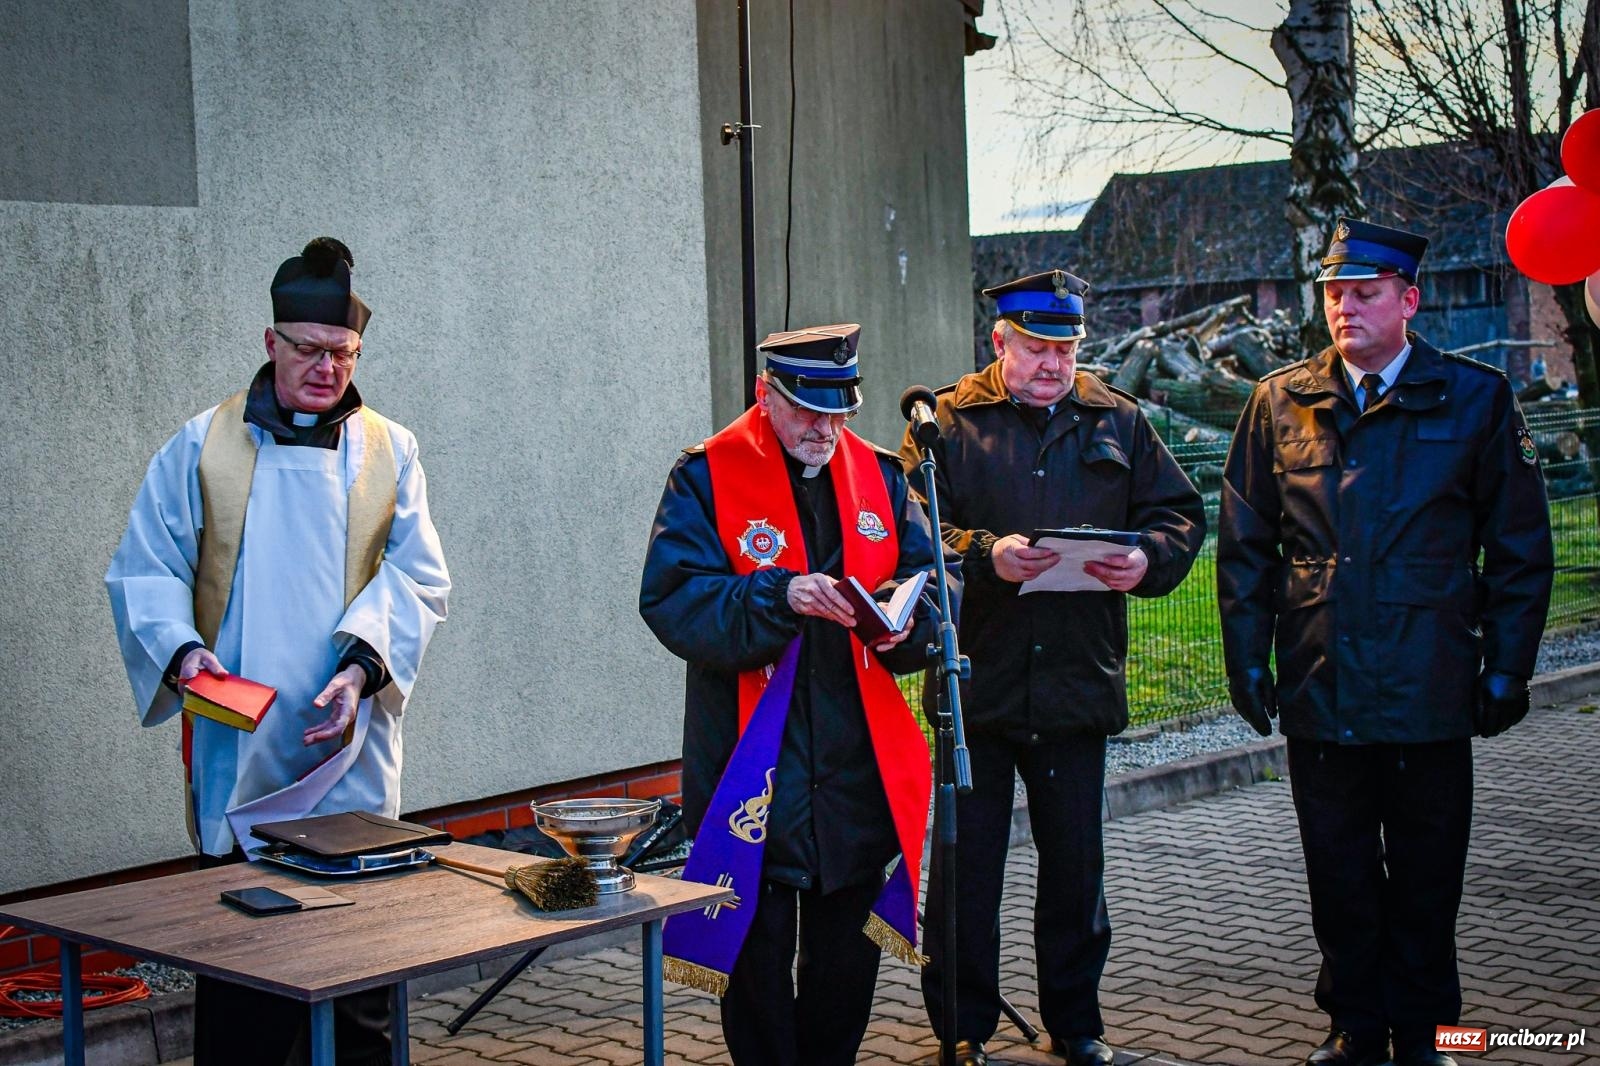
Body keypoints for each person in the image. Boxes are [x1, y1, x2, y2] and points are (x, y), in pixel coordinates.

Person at [1217, 218, 1554, 1066]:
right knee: (1339, 878)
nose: (1344, 308)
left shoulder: (1475, 398)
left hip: (1429, 687)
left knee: (1428, 879)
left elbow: (1519, 547)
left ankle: (1432, 1031)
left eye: (1364, 293)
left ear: (1409, 299)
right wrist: (1245, 658)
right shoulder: (1278, 401)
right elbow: (1246, 546)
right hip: (1320, 685)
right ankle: (1355, 1027)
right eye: (1333, 293)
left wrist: (1509, 666)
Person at [106, 236, 451, 1066]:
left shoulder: (389, 449)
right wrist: (187, 657)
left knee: (361, 985)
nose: (327, 368)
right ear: (271, 343)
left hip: (345, 750)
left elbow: (418, 578)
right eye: (309, 349)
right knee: (246, 988)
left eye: (344, 353)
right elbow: (144, 569)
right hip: (240, 743)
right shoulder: (201, 445)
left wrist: (363, 669)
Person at [901, 271, 1206, 1066]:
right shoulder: (945, 424)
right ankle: (962, 1029)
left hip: (1076, 677)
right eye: (1037, 347)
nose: (1053, 364)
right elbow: (911, 533)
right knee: (968, 873)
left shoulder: (1119, 419)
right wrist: (984, 553)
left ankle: (1076, 1024)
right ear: (999, 342)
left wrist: (1148, 559)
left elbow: (1179, 514)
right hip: (979, 682)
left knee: (1075, 872)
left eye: (1066, 349)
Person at [639, 324, 950, 1066]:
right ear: (765, 394)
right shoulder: (706, 476)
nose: (826, 429)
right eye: (808, 409)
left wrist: (900, 625)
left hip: (853, 772)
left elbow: (933, 584)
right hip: (753, 776)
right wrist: (781, 596)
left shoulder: (879, 473)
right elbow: (674, 600)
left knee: (846, 968)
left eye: (840, 411)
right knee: (757, 965)